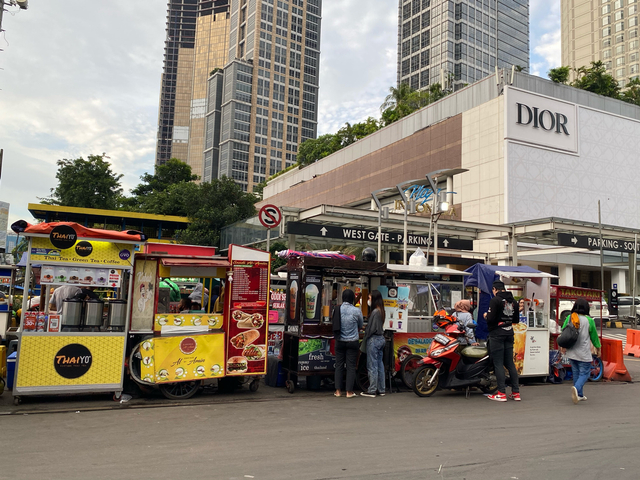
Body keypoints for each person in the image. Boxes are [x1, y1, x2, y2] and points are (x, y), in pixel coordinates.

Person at [484, 281, 520, 402]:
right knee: (510, 363)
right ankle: (516, 392)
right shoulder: (513, 301)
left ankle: (501, 393)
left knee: (498, 363)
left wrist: (485, 315)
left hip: (497, 334)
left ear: (495, 289)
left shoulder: (495, 301)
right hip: (509, 333)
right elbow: (516, 319)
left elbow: (490, 318)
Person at [560, 297, 601, 404]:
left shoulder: (569, 317)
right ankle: (576, 388)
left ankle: (580, 395)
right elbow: (594, 338)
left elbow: (563, 331)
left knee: (576, 373)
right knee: (585, 374)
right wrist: (598, 348)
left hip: (572, 351)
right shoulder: (589, 321)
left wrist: (563, 346)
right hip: (583, 352)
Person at [334, 289, 363, 398]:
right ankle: (349, 392)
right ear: (352, 299)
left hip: (340, 341)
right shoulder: (356, 311)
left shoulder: (337, 309)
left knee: (339, 365)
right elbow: (360, 324)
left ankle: (337, 391)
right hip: (352, 341)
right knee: (351, 366)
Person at [361, 290, 386, 397]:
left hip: (374, 340)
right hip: (381, 339)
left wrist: (365, 334)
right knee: (380, 365)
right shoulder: (381, 311)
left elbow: (372, 329)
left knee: (372, 365)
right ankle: (381, 389)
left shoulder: (375, 312)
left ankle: (372, 390)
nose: (368, 300)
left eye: (370, 298)